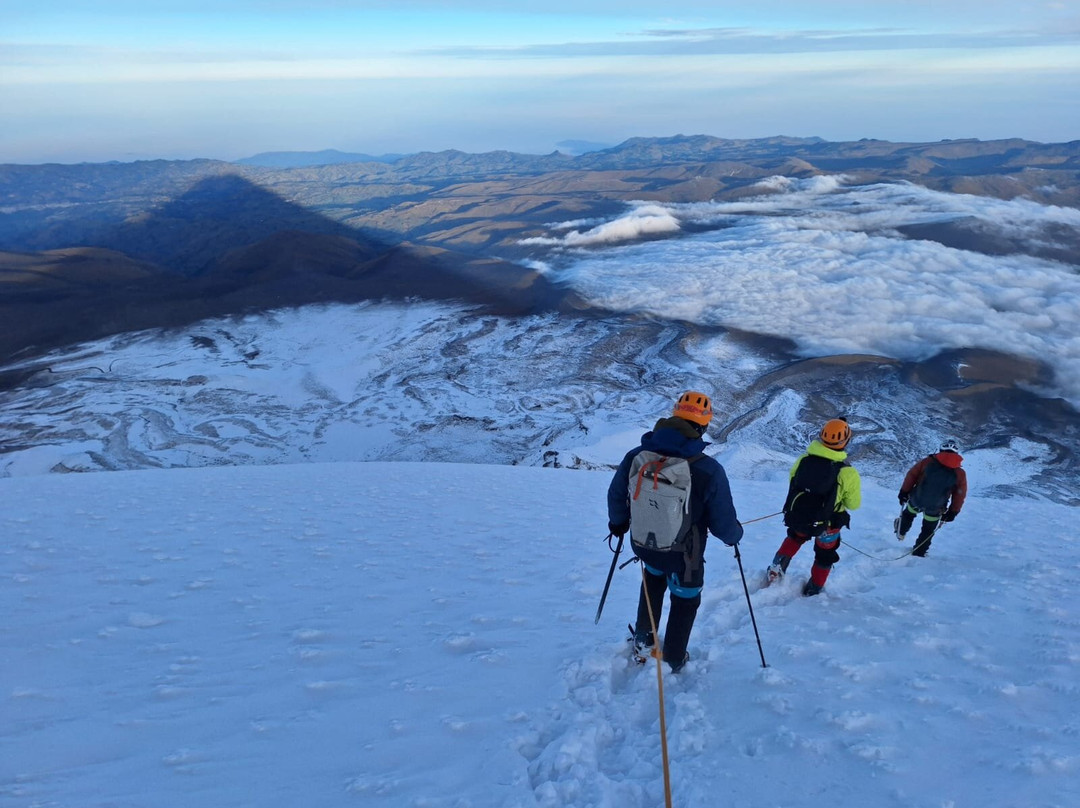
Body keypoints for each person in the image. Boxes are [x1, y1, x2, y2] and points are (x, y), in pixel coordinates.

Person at [607, 391, 743, 672]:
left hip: (644, 542)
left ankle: (644, 640)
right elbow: (722, 522)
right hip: (686, 555)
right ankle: (674, 656)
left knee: (653, 581)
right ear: (703, 426)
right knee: (685, 599)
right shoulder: (708, 470)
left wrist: (618, 523)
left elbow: (616, 494)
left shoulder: (637, 456)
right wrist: (734, 537)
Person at [766, 418, 862, 596]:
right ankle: (815, 588)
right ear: (846, 441)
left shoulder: (804, 459)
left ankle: (776, 567)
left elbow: (793, 481)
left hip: (800, 514)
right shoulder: (847, 472)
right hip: (829, 522)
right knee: (825, 554)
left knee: (794, 538)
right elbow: (853, 504)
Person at [895, 439, 967, 557]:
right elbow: (960, 494)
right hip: (936, 507)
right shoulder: (959, 473)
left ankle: (901, 531)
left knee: (908, 514)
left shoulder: (927, 462)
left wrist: (904, 492)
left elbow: (911, 475)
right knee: (928, 529)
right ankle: (919, 552)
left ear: (940, 450)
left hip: (917, 500)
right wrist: (953, 511)